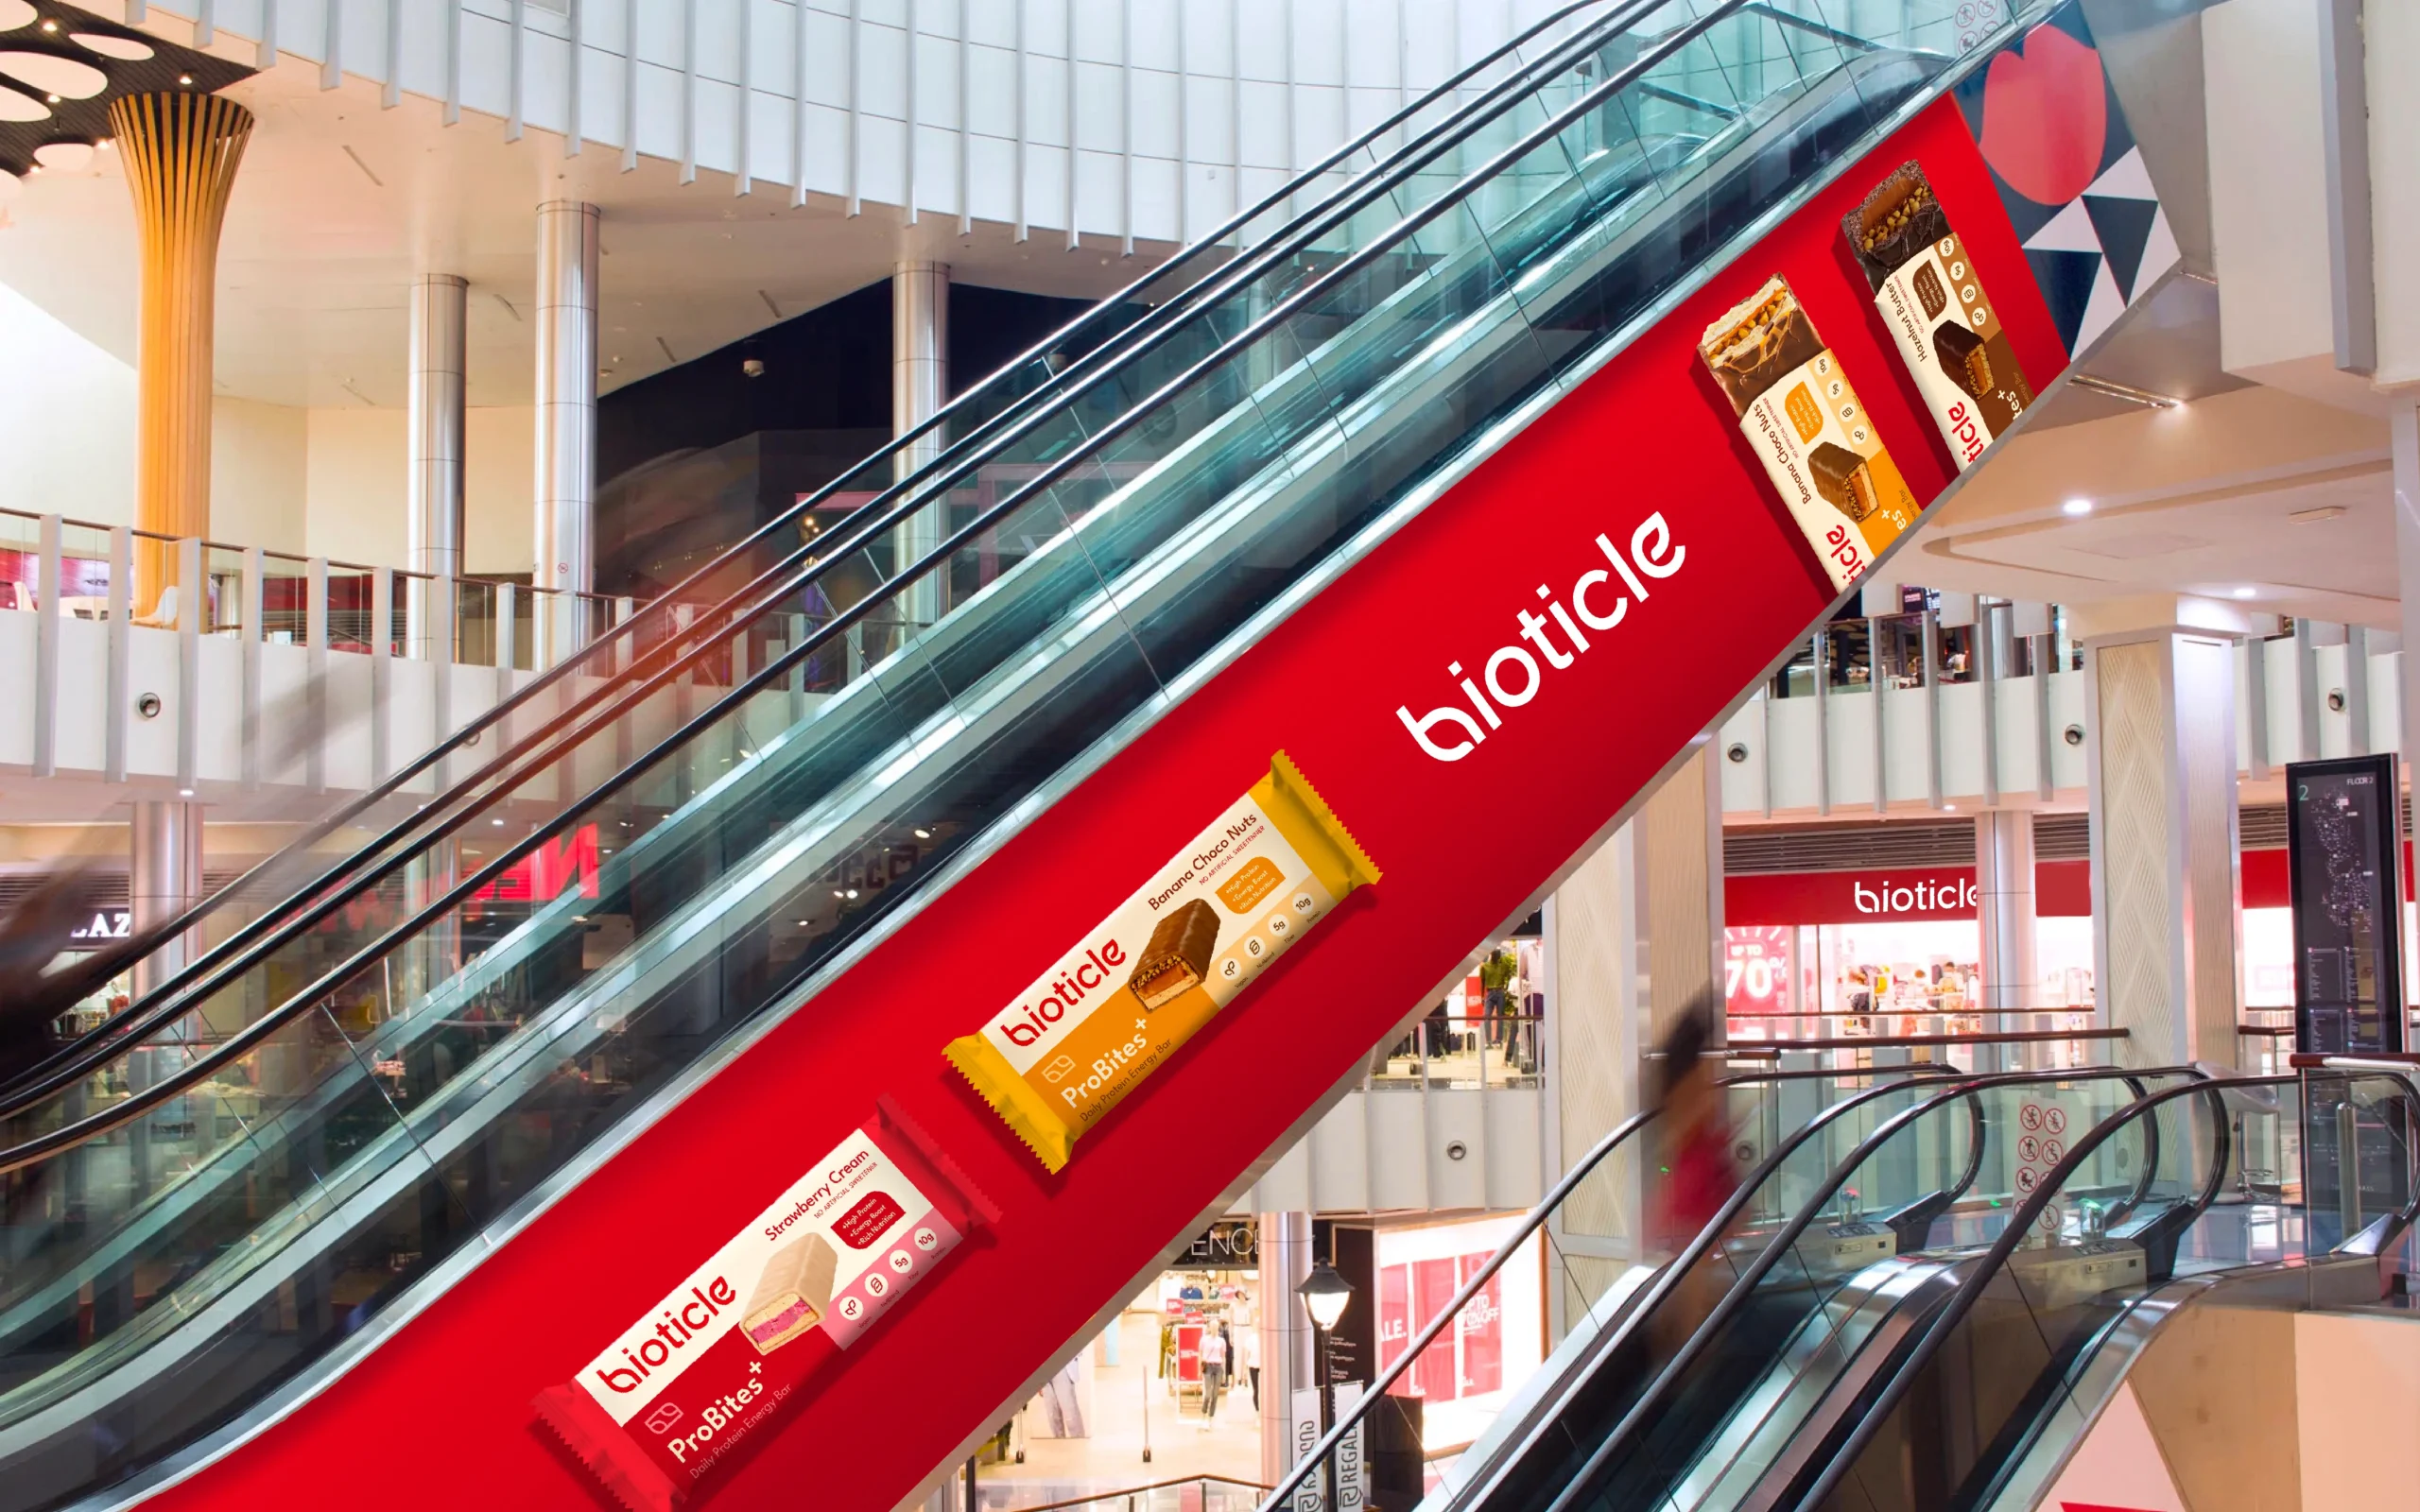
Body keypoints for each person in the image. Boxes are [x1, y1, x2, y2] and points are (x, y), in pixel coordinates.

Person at [1648, 996, 1738, 1350]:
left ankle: (1679, 1353)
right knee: (1697, 1280)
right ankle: (1689, 1356)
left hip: (1686, 1180)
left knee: (1690, 1272)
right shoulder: (1695, 1077)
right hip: (1699, 1180)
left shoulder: (1672, 1074)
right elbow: (1702, 1117)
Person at [1198, 1322, 1228, 1426]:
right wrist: (1199, 1369)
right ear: (1210, 1327)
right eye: (1213, 1327)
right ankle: (1203, 1414)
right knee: (1208, 1394)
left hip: (1218, 1367)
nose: (1214, 1329)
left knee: (1215, 1395)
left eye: (1216, 1327)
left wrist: (1224, 1372)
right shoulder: (1204, 1339)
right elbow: (1200, 1354)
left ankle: (1210, 1417)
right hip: (1208, 1367)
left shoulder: (1222, 1341)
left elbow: (1223, 1357)